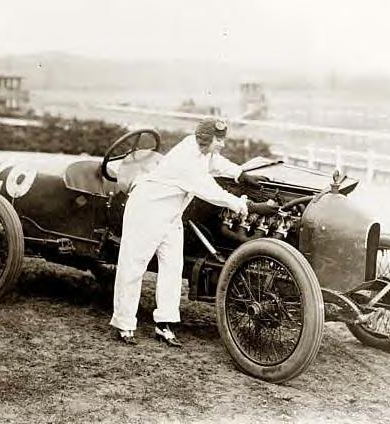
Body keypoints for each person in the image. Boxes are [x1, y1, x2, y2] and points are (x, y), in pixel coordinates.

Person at [109, 118, 278, 346]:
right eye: (219, 140)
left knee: (173, 267)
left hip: (170, 214)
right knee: (133, 267)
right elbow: (211, 191)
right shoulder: (185, 160)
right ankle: (124, 323)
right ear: (205, 139)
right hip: (146, 211)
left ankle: (164, 324)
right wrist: (250, 207)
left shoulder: (198, 147)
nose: (222, 144)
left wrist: (240, 174)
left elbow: (214, 161)